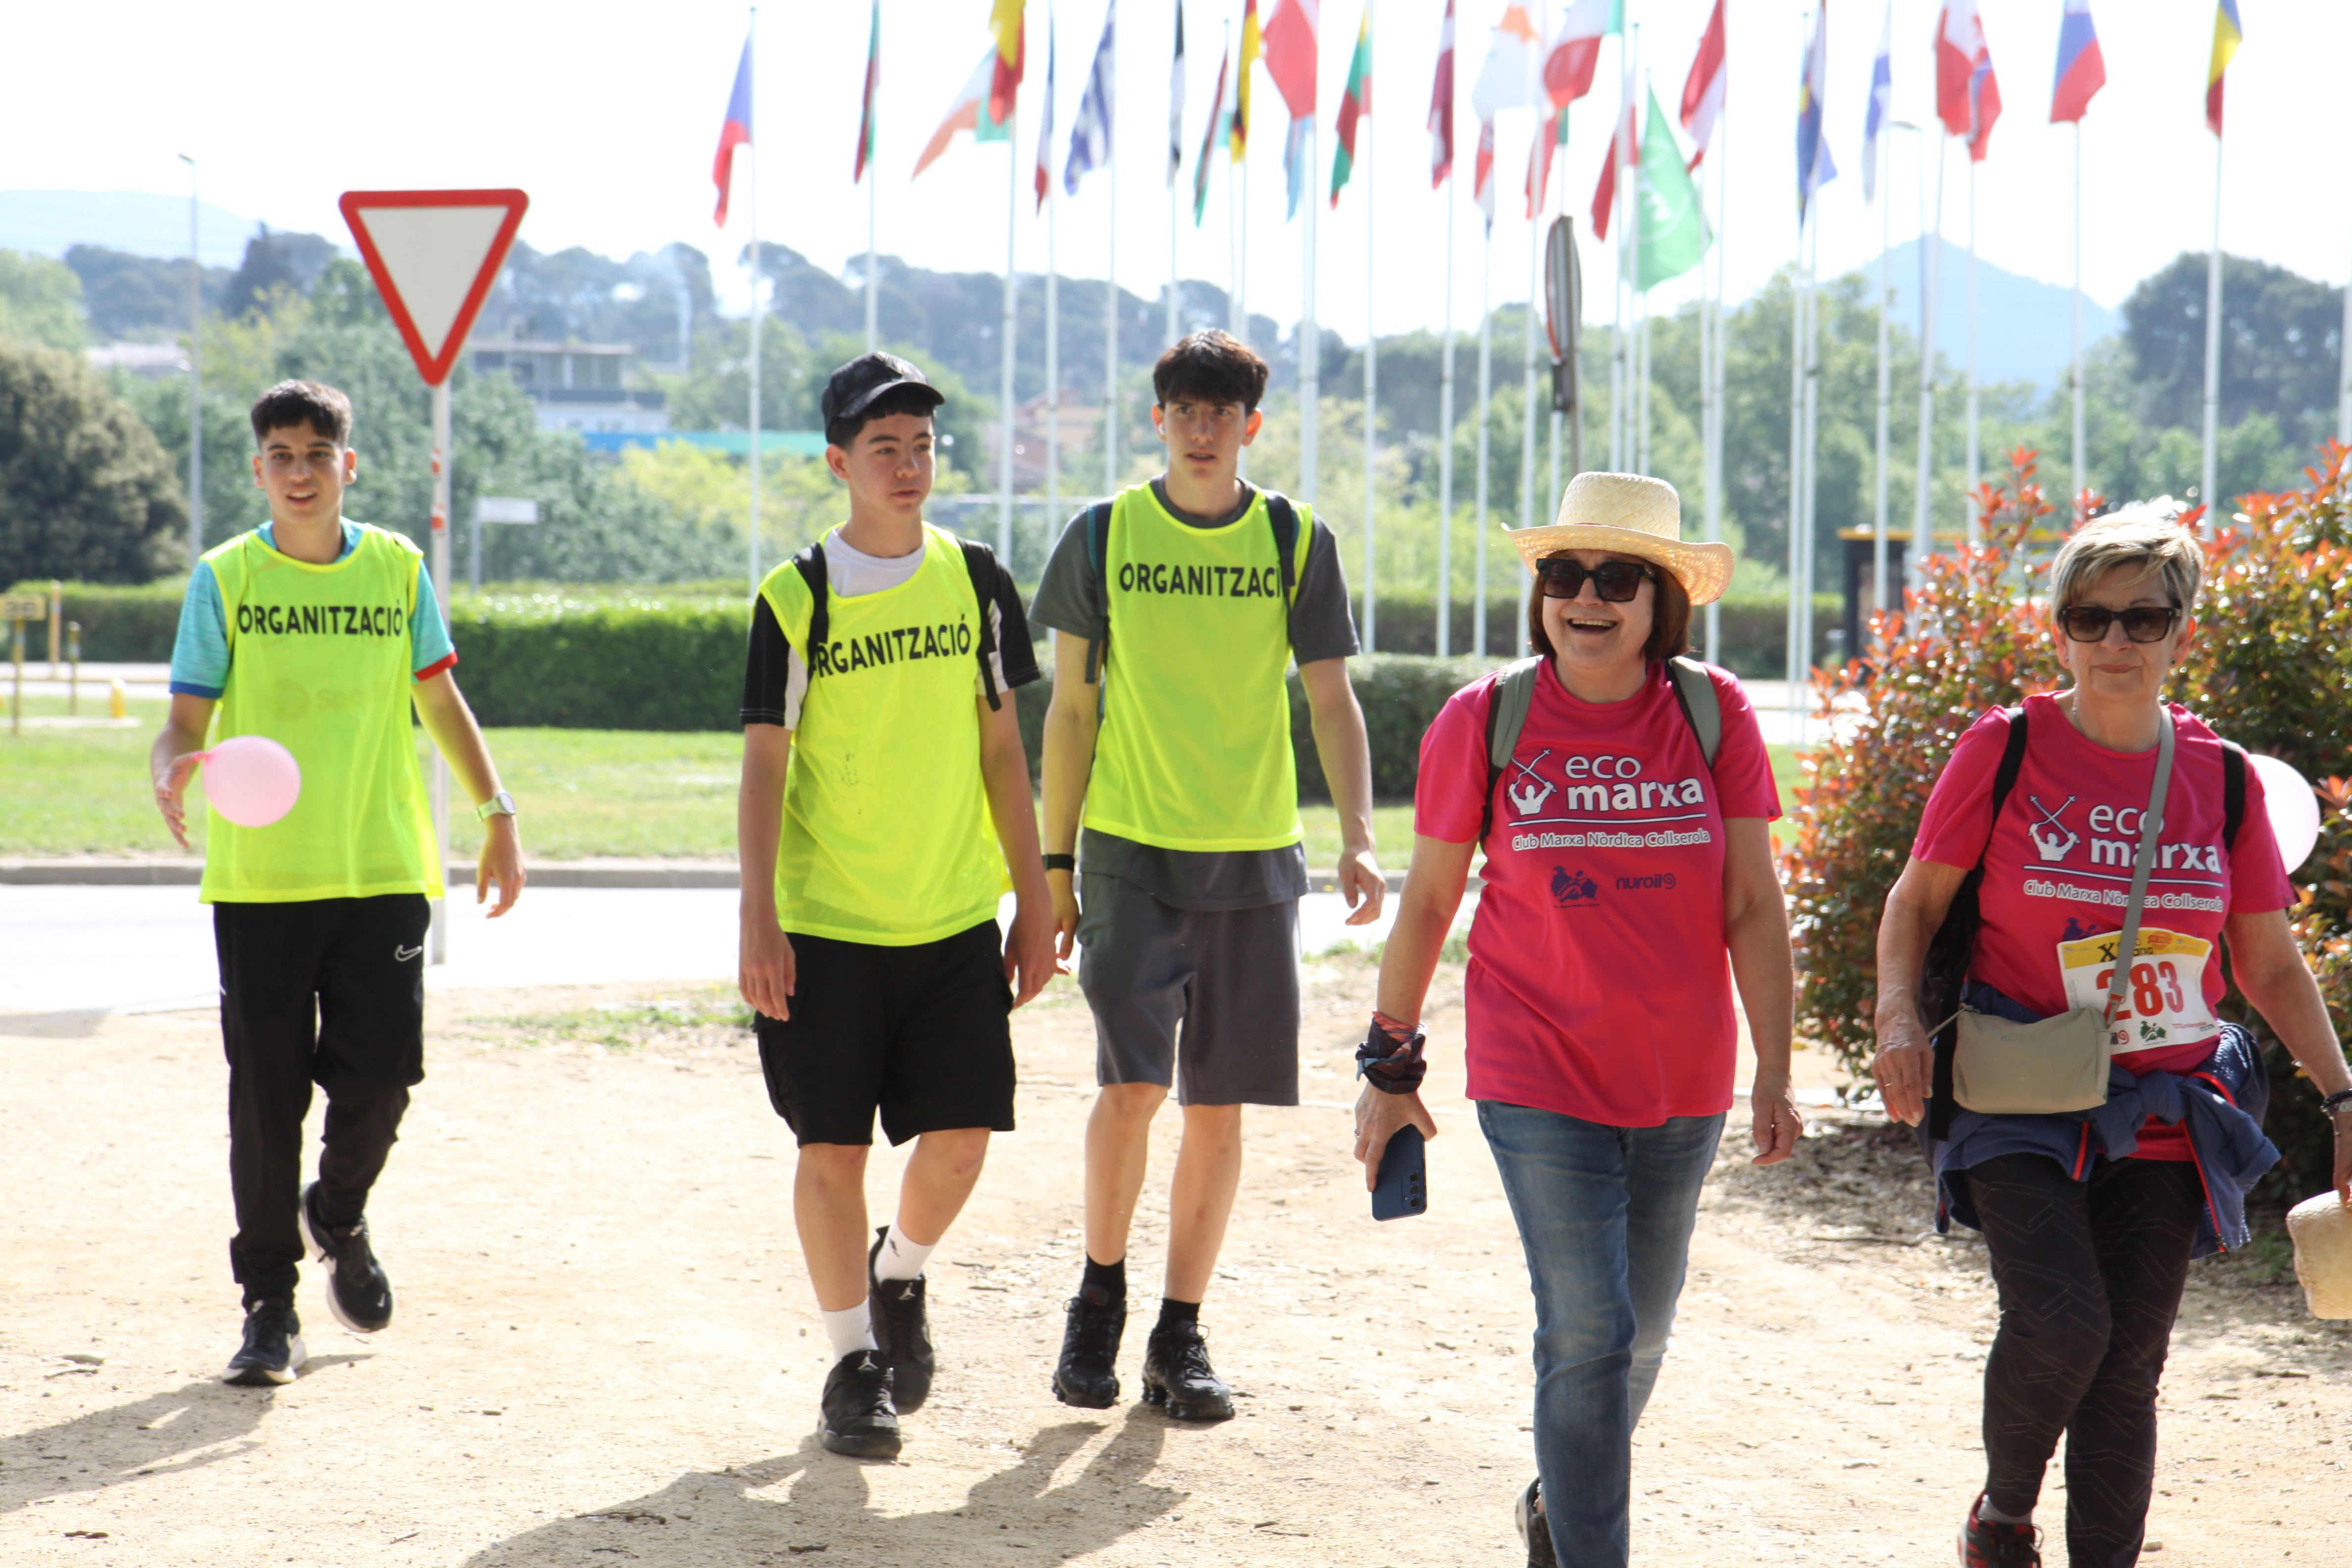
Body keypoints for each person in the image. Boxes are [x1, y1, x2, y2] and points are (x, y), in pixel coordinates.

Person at [1872, 507, 2352, 1568]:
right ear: (2059, 633)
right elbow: (1914, 902)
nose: (2116, 642)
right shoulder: (2005, 750)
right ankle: (2003, 1516)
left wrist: (2344, 1095)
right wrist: (1898, 1016)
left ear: (2183, 633)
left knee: (2129, 1365)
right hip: (2019, 1088)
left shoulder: (2220, 780)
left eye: (2143, 618)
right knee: (2063, 1325)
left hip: (2169, 1102)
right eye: (2090, 619)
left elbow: (2267, 965)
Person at [1353, 472, 1802, 1568]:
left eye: (1615, 578)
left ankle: (1561, 1501)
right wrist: (1388, 1060)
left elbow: (1753, 901)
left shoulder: (1712, 709)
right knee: (1589, 1328)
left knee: (1639, 1334)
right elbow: (1428, 898)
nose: (1585, 598)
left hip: (1683, 1077)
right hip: (1535, 1065)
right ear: (1541, 590)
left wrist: (1775, 1072)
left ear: (1660, 601)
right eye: (1565, 574)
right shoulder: (1487, 717)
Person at [1031, 329, 1385, 1421]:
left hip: (1253, 858)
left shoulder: (1292, 539)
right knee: (1131, 1089)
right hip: (1132, 850)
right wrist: (1053, 865)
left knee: (1219, 1109)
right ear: (1158, 419)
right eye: (1183, 410)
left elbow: (1331, 696)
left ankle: (1179, 1335)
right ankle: (1099, 1300)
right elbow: (1072, 712)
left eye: (1220, 413)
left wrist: (1359, 833)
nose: (1200, 429)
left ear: (1251, 427)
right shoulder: (1100, 538)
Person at [150, 380, 527, 1387]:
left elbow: (441, 699)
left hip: (383, 872)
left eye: (318, 452)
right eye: (281, 454)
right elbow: (185, 723)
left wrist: (497, 815)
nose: (301, 471)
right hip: (264, 882)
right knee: (265, 1100)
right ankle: (268, 1306)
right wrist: (168, 765)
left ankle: (339, 1213)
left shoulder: (399, 569)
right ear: (259, 469)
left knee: (381, 1083)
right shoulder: (224, 579)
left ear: (347, 464)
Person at [737, 351, 1057, 1461]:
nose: (909, 464)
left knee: (962, 1142)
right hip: (826, 928)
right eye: (885, 448)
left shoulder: (977, 579)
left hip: (952, 919)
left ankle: (899, 1275)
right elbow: (765, 769)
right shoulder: (796, 596)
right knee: (830, 1149)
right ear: (839, 462)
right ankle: (849, 1366)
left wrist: (1038, 898)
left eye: (922, 446)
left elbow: (1004, 747)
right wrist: (758, 920)